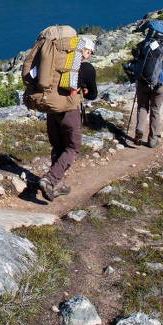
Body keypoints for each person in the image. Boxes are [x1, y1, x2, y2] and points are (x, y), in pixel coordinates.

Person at [39, 35, 97, 201]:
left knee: (57, 146)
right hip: (69, 110)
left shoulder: (57, 65)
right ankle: (50, 180)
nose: (90, 55)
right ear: (84, 51)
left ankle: (57, 184)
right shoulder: (87, 68)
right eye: (90, 52)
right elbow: (93, 94)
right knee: (72, 147)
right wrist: (85, 90)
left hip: (51, 109)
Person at [124, 33, 163, 148]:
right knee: (155, 110)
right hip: (160, 85)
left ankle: (139, 129)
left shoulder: (146, 44)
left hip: (143, 82)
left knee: (142, 107)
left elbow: (137, 60)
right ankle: (152, 140)